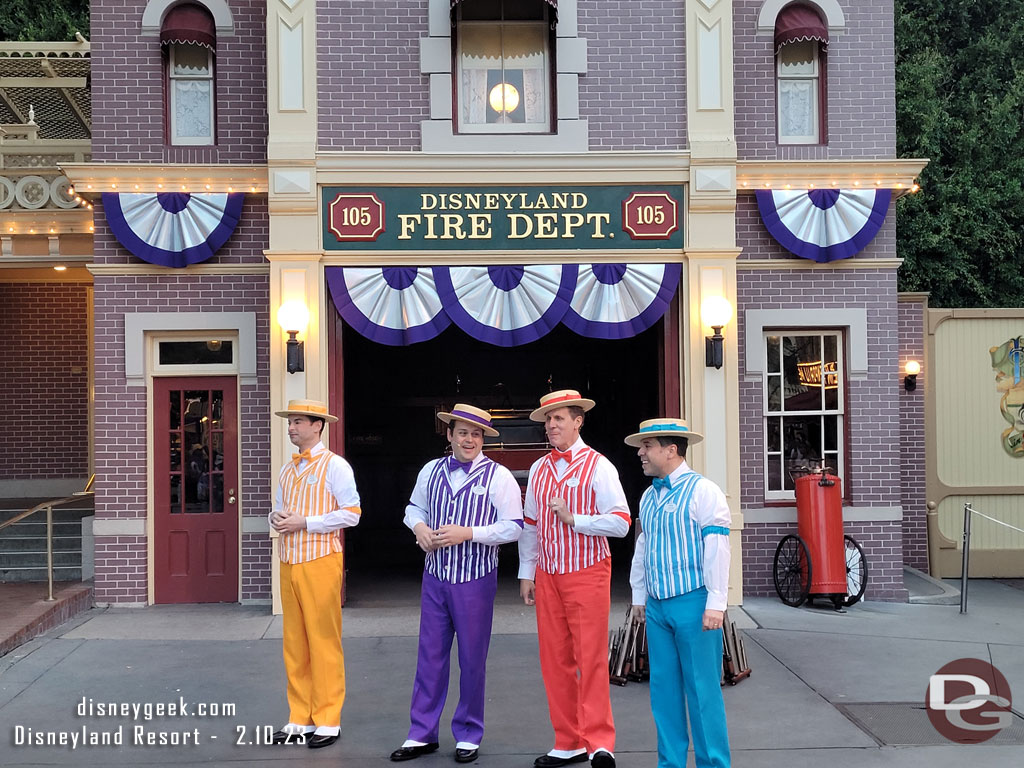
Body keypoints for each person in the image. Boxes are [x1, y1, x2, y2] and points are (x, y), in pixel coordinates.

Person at [390, 404, 523, 764]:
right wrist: (418, 529)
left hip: (475, 579)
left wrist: (470, 533)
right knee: (429, 657)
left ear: (484, 440)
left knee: (472, 659)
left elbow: (514, 526)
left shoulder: (498, 476)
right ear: (449, 435)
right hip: (435, 577)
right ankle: (421, 733)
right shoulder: (431, 471)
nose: (469, 440)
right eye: (462, 432)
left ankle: (468, 733)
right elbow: (414, 509)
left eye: (476, 434)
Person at [519, 390, 631, 768]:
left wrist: (575, 520)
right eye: (548, 419)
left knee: (592, 658)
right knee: (555, 660)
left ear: (578, 420)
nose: (552, 425)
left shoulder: (599, 466)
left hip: (587, 571)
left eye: (560, 418)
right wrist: (527, 573)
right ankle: (567, 740)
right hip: (547, 573)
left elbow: (620, 521)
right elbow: (530, 525)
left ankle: (600, 742)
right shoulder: (538, 469)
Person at [625, 418, 731, 768]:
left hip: (694, 602)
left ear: (671, 450)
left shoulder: (704, 491)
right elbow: (644, 546)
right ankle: (669, 764)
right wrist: (639, 596)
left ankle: (713, 764)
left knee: (702, 693)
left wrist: (716, 603)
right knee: (664, 693)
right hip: (657, 607)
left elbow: (716, 547)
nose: (640, 453)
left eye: (647, 446)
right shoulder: (648, 496)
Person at [268, 399, 361, 749]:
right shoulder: (285, 469)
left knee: (323, 641)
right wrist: (275, 519)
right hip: (289, 562)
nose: (291, 427)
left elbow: (352, 513)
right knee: (294, 643)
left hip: (321, 560)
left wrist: (305, 522)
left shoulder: (336, 466)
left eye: (298, 422)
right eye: (290, 422)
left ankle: (327, 719)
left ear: (317, 426)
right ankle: (299, 716)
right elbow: (278, 511)